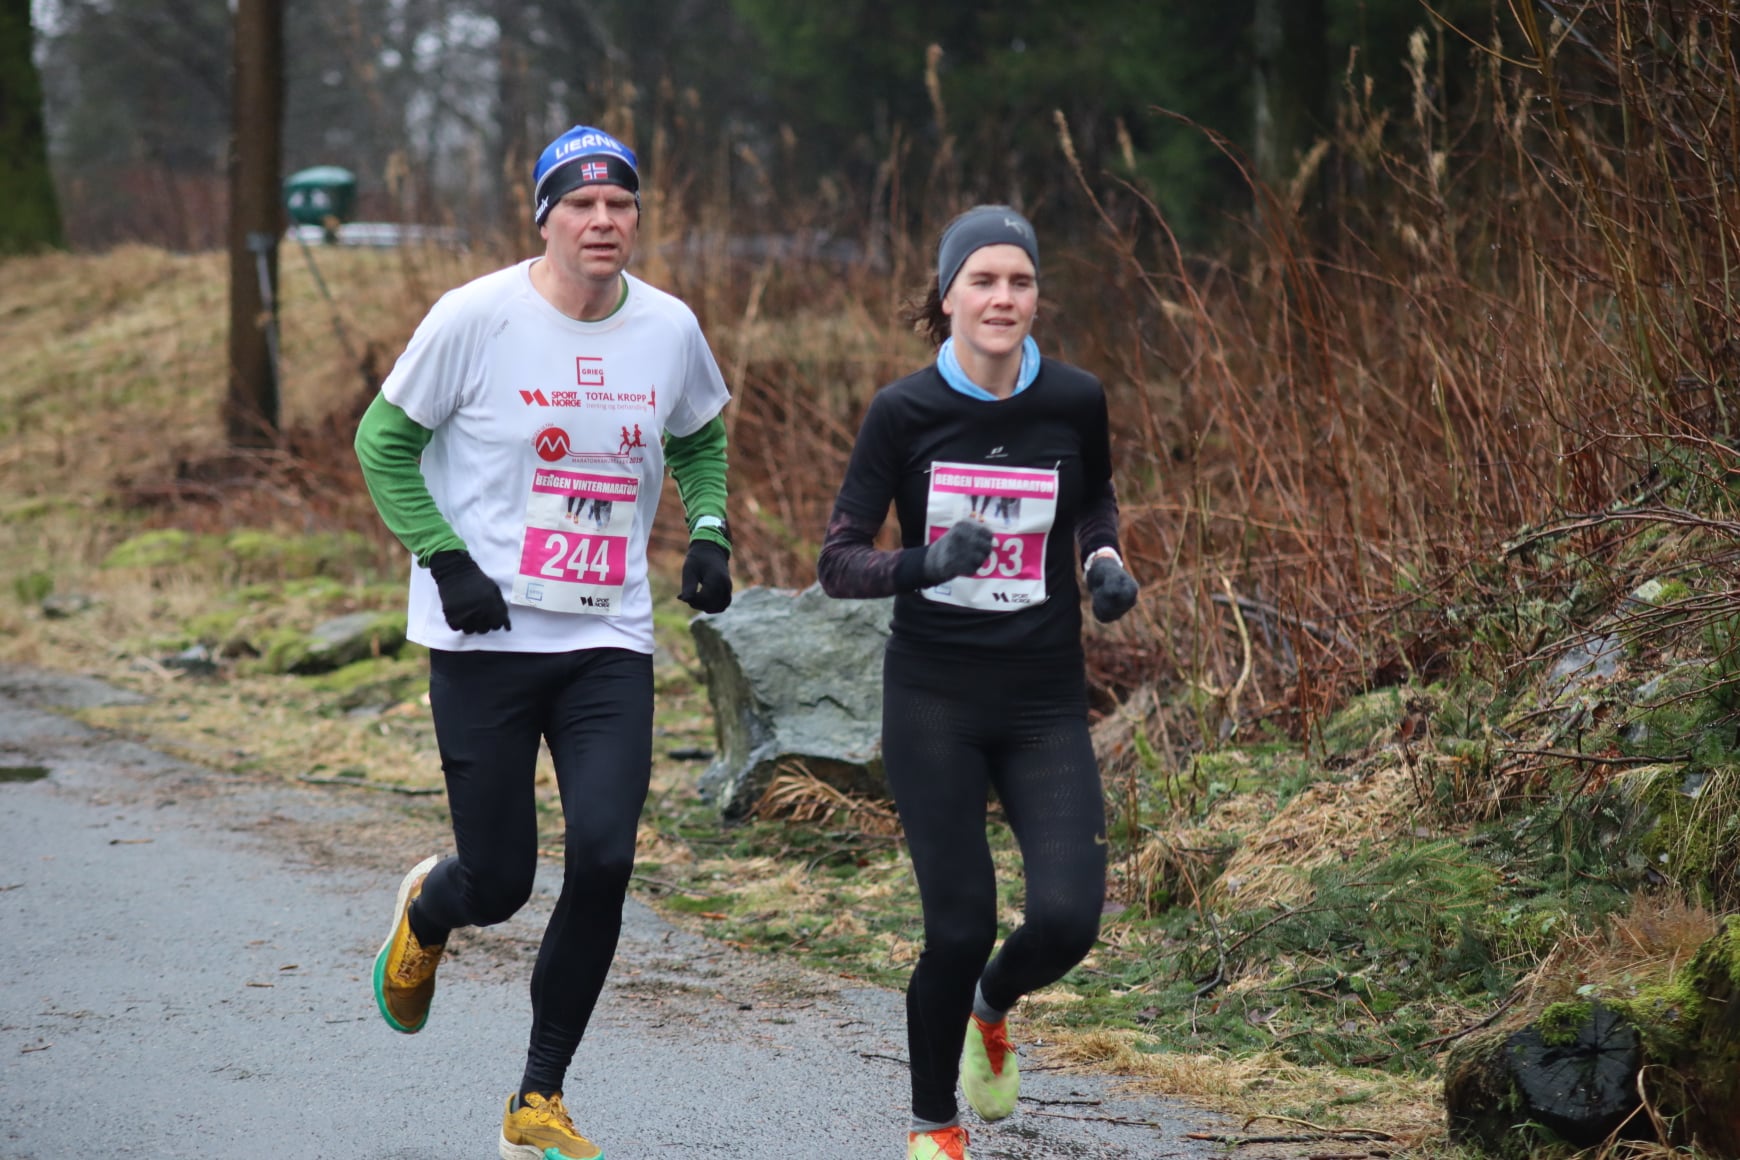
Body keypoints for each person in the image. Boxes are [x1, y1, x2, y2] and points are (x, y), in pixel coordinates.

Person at [353, 123, 734, 1160]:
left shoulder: (668, 327)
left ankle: (538, 1095)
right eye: (582, 204)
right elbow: (382, 443)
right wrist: (446, 558)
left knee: (605, 856)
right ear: (546, 218)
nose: (604, 221)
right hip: (484, 636)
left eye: (621, 205)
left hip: (607, 635)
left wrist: (707, 528)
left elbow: (699, 433)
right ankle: (430, 909)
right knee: (502, 880)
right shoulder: (474, 317)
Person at [816, 205, 1139, 1160]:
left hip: (1042, 697)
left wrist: (1104, 561)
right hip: (935, 698)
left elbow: (1094, 498)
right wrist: (926, 562)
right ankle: (934, 1129)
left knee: (1068, 920)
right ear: (948, 295)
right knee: (957, 929)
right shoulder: (903, 411)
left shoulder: (1075, 398)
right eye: (984, 280)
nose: (1003, 298)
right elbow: (838, 560)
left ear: (1037, 296)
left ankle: (990, 1010)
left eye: (1021, 281)